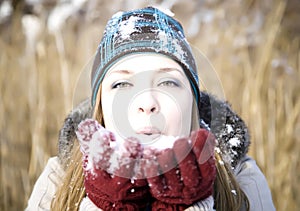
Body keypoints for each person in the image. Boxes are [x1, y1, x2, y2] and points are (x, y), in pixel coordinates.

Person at [26, 7, 275, 211]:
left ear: (192, 104)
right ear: (101, 109)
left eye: (168, 82)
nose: (146, 102)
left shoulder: (242, 179)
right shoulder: (57, 180)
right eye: (122, 84)